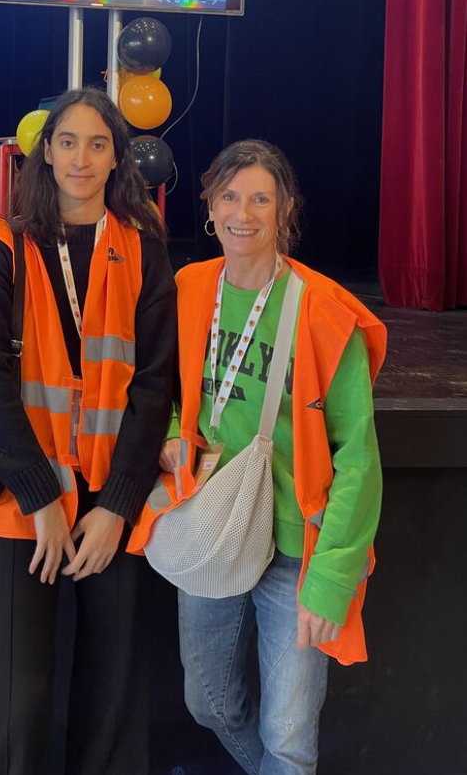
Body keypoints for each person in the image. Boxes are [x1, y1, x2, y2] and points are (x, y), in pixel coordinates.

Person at [131, 140, 386, 775]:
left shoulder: (324, 310)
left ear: (286, 210)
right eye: (229, 196)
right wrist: (167, 430)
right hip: (213, 524)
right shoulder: (189, 288)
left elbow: (357, 456)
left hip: (300, 546)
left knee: (290, 734)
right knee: (208, 700)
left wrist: (331, 581)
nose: (244, 212)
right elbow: (157, 384)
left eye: (261, 198)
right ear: (210, 207)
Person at [0, 86, 177, 775]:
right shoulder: (3, 245)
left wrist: (115, 506)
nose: (81, 157)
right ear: (45, 152)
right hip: (23, 499)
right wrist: (40, 496)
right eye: (69, 141)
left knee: (113, 700)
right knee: (15, 699)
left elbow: (153, 383)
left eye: (98, 144)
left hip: (113, 497)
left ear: (117, 160)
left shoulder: (144, 248)